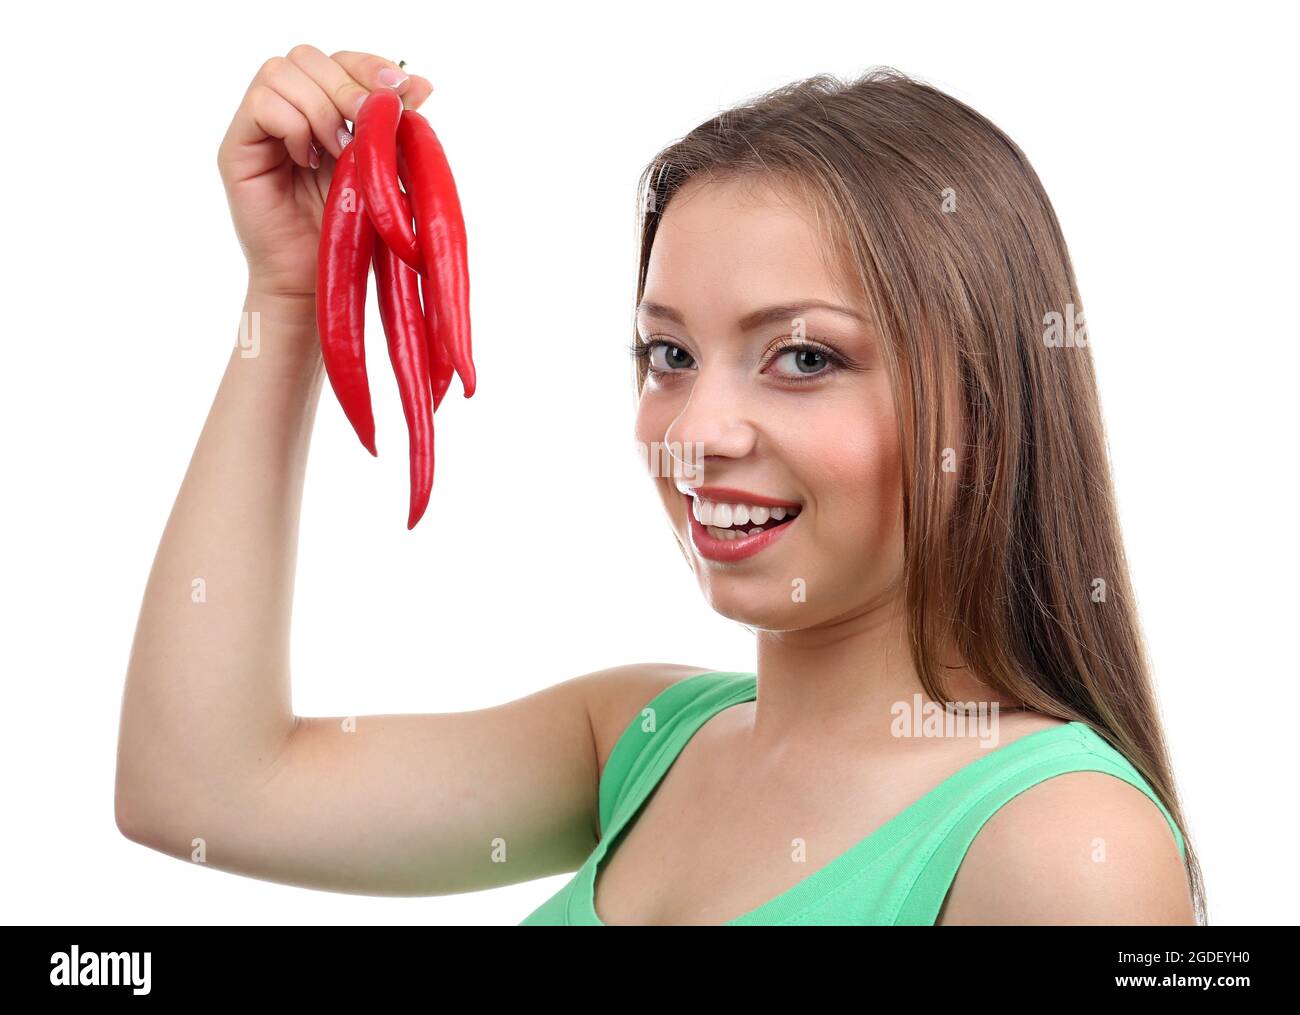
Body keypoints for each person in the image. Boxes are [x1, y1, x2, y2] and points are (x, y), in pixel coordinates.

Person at [115, 46, 1202, 926]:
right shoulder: (640, 740)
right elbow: (202, 789)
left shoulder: (1063, 849)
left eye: (804, 358)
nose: (696, 431)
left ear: (985, 401)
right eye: (668, 355)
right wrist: (296, 294)